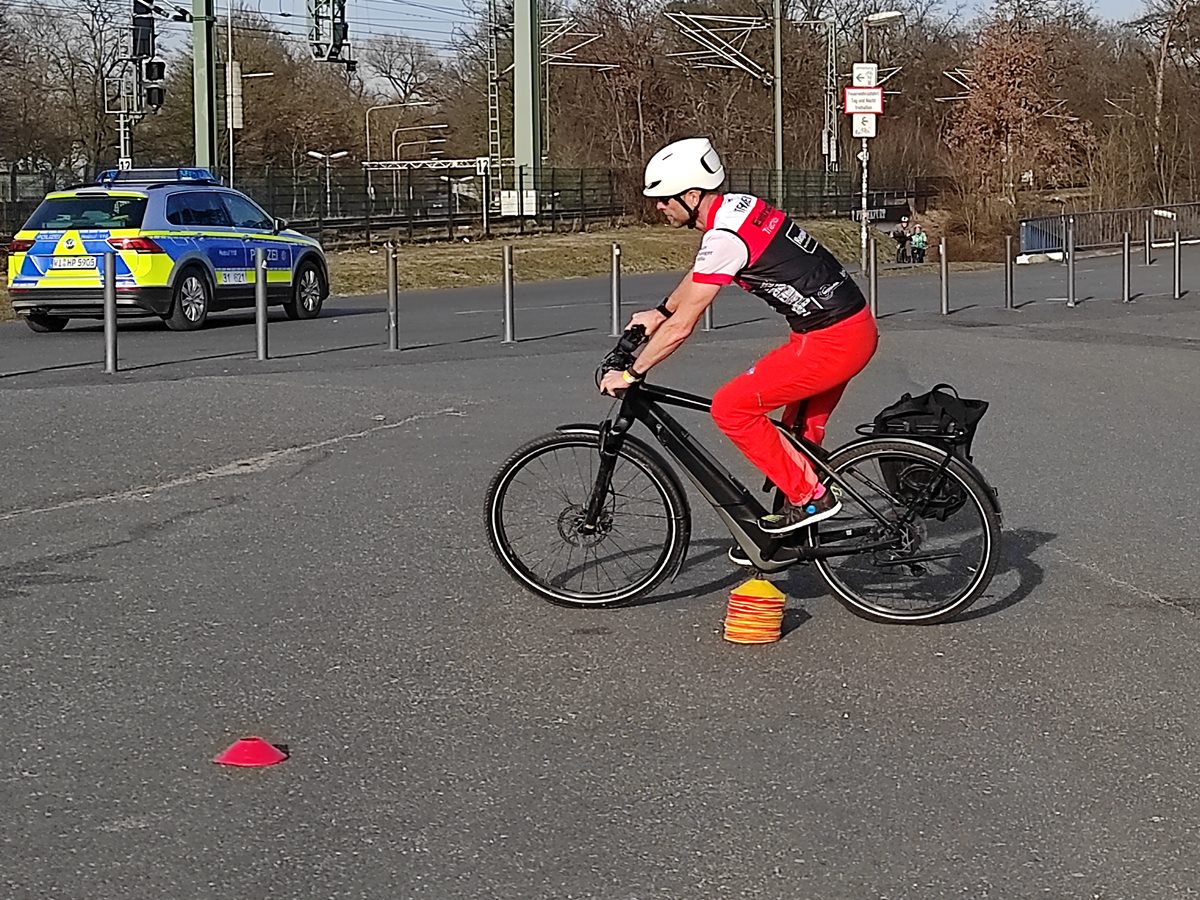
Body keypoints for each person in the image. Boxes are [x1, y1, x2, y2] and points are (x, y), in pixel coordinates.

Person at [599, 137, 879, 552]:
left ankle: (810, 502)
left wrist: (632, 372)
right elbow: (699, 277)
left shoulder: (724, 237)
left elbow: (682, 328)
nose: (659, 206)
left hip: (832, 339)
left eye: (664, 199)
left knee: (731, 407)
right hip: (840, 328)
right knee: (797, 433)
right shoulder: (739, 208)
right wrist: (660, 311)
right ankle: (795, 535)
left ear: (692, 196)